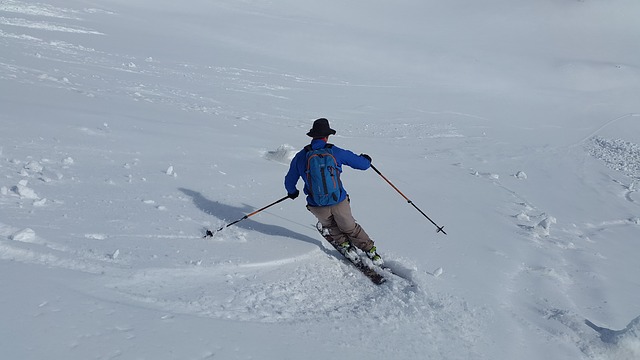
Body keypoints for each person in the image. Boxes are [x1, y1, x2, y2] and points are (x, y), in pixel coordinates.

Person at [284, 118, 383, 265]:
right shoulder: (334, 151)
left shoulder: (301, 156)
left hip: (317, 204)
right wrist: (366, 159)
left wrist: (292, 192)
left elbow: (289, 180)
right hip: (338, 200)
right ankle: (370, 251)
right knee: (350, 227)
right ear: (327, 136)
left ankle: (344, 245)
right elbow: (362, 165)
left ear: (313, 136)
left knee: (331, 226)